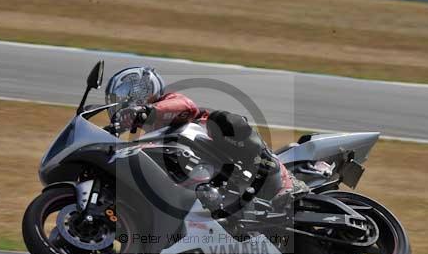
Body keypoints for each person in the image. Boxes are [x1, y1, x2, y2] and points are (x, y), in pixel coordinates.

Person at [104, 66, 307, 204]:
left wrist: (147, 111)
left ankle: (283, 179)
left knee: (222, 121)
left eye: (126, 98)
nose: (123, 104)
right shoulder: (147, 140)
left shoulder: (170, 102)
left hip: (221, 147)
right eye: (117, 101)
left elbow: (186, 106)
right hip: (210, 188)